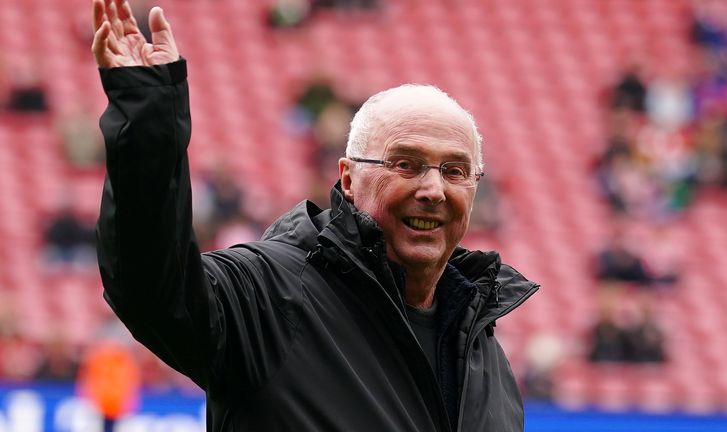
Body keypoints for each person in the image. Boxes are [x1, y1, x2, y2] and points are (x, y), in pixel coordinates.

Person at [91, 0, 539, 430]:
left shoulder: (483, 349)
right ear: (348, 178)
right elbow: (153, 289)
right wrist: (149, 119)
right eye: (406, 164)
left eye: (455, 171)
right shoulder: (269, 295)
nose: (433, 190)